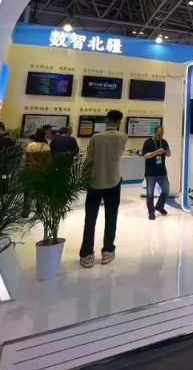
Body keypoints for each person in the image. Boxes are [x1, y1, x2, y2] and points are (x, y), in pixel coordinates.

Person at [79, 110, 127, 268]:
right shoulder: (122, 137)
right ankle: (108, 251)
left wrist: (83, 177)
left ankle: (86, 254)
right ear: (120, 121)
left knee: (90, 219)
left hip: (95, 182)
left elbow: (89, 159)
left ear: (107, 120)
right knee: (111, 218)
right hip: (113, 181)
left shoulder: (96, 137)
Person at [142, 125, 171, 220]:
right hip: (150, 173)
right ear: (154, 133)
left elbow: (169, 154)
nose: (160, 136)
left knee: (166, 190)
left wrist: (166, 150)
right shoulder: (148, 142)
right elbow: (145, 156)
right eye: (159, 134)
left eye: (162, 134)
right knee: (150, 193)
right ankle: (151, 212)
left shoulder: (164, 142)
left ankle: (159, 206)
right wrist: (156, 152)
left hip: (162, 172)